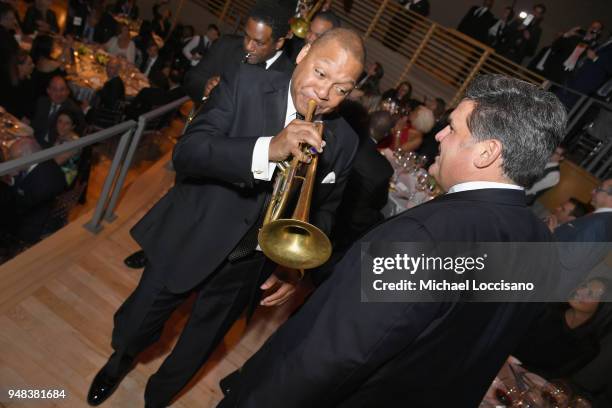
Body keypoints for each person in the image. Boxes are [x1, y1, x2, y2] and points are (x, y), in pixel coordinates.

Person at [216, 74, 567, 408]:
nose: (441, 135)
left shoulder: (430, 236)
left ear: (487, 153)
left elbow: (336, 354)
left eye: (454, 128)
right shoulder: (540, 243)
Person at [86, 28, 364, 408]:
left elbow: (326, 209)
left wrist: (294, 267)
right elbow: (188, 153)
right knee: (136, 323)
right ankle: (119, 361)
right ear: (302, 56)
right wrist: (269, 149)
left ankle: (158, 397)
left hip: (248, 262)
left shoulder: (346, 141)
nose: (324, 94)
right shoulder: (245, 81)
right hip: (195, 230)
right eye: (320, 73)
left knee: (197, 347)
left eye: (342, 88)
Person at [183, 1, 295, 102]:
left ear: (279, 43)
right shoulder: (226, 45)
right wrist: (205, 86)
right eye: (246, 36)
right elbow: (192, 78)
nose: (248, 46)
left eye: (259, 43)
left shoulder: (288, 78)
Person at [333, 110, 395, 249]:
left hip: (329, 206)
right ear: (386, 135)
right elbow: (380, 203)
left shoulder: (345, 137)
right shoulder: (384, 168)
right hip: (350, 225)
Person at [31, 75, 84, 148]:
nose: (58, 94)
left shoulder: (74, 110)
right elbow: (35, 125)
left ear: (68, 91)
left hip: (55, 148)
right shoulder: (42, 102)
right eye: (54, 89)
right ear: (48, 91)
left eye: (62, 90)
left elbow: (77, 137)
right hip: (35, 141)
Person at [52, 109, 81, 187]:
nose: (62, 126)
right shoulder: (63, 135)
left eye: (67, 123)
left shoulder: (74, 143)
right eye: (60, 121)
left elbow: (56, 162)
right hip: (55, 170)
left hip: (64, 177)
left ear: (73, 126)